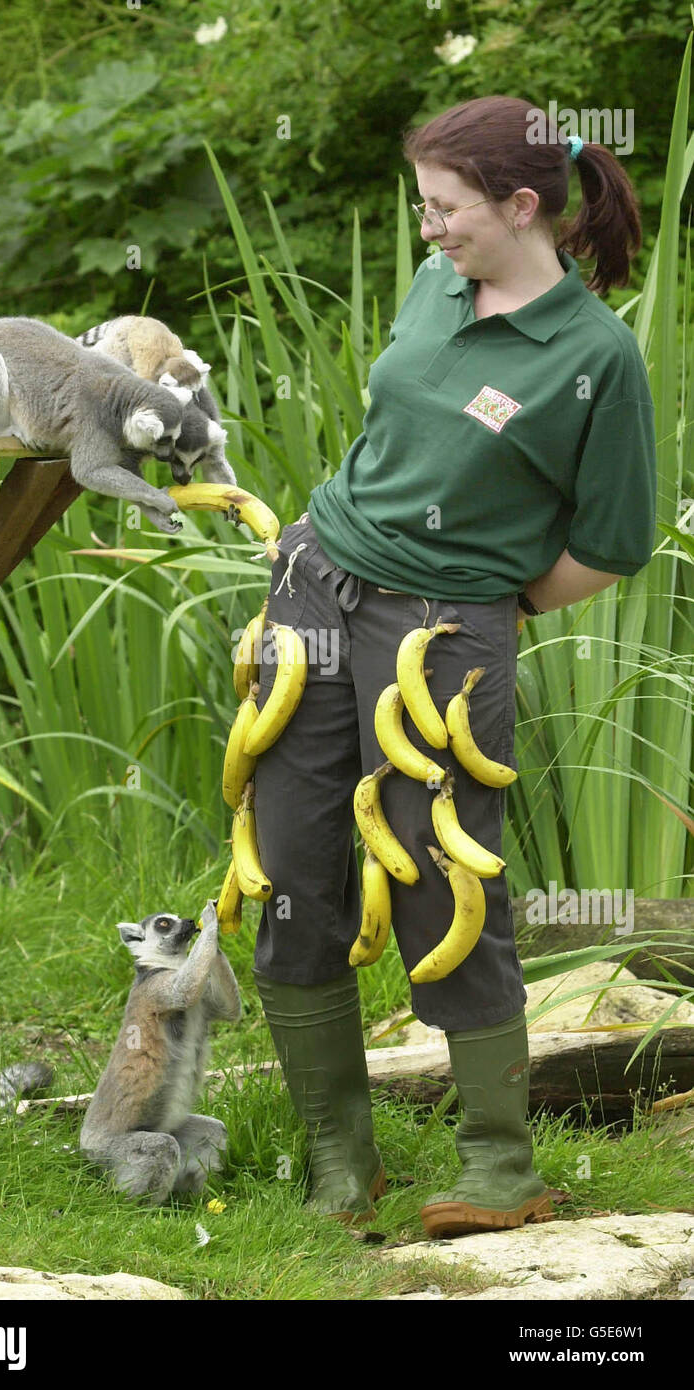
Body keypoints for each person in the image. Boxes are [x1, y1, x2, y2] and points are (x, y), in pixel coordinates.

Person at [250, 95, 657, 1238]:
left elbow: (612, 540)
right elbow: (397, 428)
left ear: (521, 207)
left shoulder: (595, 356)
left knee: (450, 882)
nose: (427, 230)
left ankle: (499, 1167)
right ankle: (341, 1158)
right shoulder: (440, 283)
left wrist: (490, 607)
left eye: (446, 210)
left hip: (443, 637)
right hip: (316, 591)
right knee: (288, 864)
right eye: (422, 206)